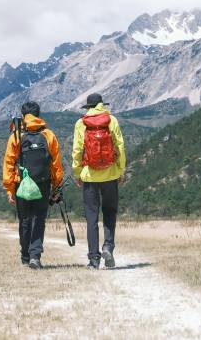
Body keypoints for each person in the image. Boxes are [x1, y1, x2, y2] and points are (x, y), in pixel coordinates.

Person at [2, 100, 64, 269]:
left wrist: (9, 189)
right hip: (43, 183)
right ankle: (35, 256)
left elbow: (9, 163)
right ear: (38, 115)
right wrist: (56, 186)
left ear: (23, 116)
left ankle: (25, 256)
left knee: (25, 220)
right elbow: (56, 164)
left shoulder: (16, 135)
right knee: (39, 219)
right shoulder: (49, 135)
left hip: (22, 183)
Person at [72, 92, 126, 269]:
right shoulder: (112, 120)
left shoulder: (81, 123)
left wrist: (78, 173)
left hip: (90, 176)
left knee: (91, 217)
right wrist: (120, 170)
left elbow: (77, 151)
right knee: (110, 212)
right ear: (102, 105)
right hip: (110, 174)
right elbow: (120, 147)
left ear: (88, 107)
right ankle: (108, 247)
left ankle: (94, 259)